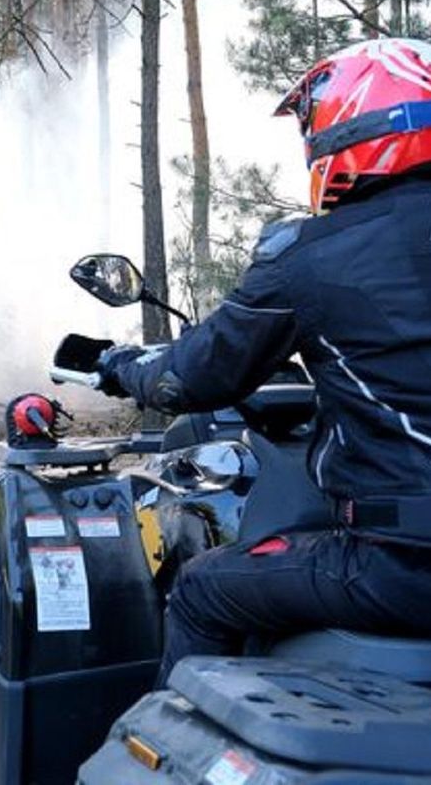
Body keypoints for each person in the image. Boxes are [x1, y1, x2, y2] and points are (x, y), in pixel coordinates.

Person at [96, 38, 431, 687]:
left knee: (201, 590)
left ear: (352, 126)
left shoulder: (310, 257)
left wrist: (124, 367)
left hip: (401, 567)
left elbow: (190, 376)